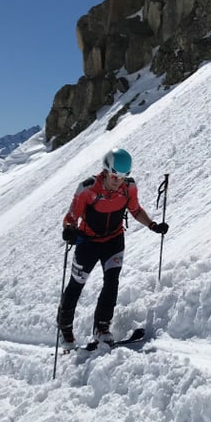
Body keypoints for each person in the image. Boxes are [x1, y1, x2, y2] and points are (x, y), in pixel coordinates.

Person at [56, 147, 168, 349]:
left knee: (112, 282)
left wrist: (152, 225)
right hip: (88, 242)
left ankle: (102, 327)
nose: (119, 181)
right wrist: (69, 230)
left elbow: (135, 209)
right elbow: (71, 218)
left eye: (124, 177)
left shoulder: (129, 187)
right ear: (106, 171)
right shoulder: (88, 189)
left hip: (114, 240)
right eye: (115, 176)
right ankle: (65, 331)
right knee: (76, 285)